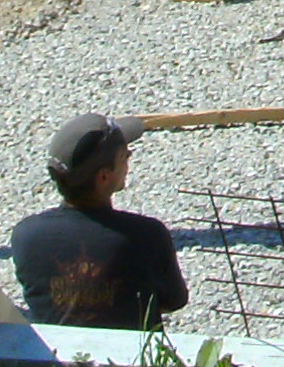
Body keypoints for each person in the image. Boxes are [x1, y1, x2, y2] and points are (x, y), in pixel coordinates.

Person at [10, 113, 189, 329]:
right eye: (125, 156)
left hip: (55, 350)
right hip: (131, 351)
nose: (129, 160)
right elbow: (173, 301)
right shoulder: (146, 235)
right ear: (103, 177)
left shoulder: (26, 235)